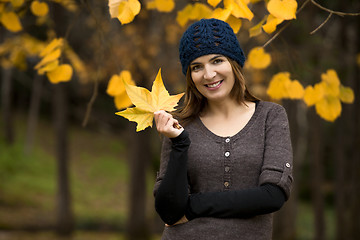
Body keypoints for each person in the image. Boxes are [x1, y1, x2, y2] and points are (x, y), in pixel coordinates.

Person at [153, 18, 293, 240]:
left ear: (234, 63)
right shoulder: (179, 125)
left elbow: (272, 195)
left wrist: (193, 206)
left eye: (217, 61)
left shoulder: (270, 116)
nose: (208, 75)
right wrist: (180, 143)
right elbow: (169, 210)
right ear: (190, 76)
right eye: (196, 67)